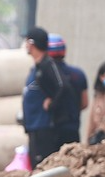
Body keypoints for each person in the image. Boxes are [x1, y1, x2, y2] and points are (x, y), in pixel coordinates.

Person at [20, 27, 71, 168]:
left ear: (32, 43)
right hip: (34, 127)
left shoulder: (48, 65)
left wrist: (52, 103)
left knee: (44, 167)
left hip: (44, 126)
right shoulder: (37, 68)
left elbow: (63, 86)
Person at [48, 34, 87, 154]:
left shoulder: (44, 75)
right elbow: (85, 103)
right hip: (72, 129)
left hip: (49, 131)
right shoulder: (78, 74)